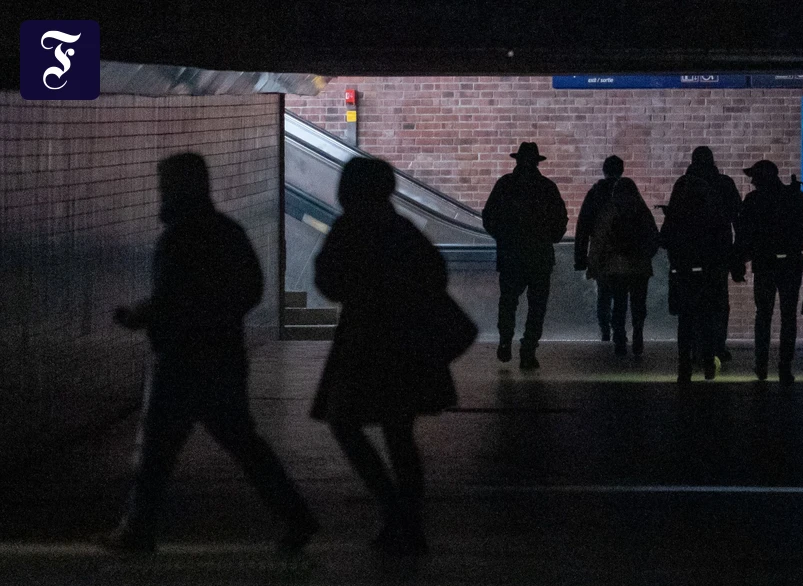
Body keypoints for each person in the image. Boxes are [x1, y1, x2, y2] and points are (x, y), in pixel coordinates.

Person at [103, 153, 318, 554]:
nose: (161, 192)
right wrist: (218, 314)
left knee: (156, 450)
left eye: (165, 185)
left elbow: (170, 299)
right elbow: (251, 288)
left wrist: (137, 315)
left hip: (179, 359)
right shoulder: (227, 232)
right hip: (223, 354)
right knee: (243, 442)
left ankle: (138, 529)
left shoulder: (177, 238)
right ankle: (296, 515)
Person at [311, 157, 460, 555]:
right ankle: (409, 519)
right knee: (400, 434)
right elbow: (436, 275)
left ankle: (393, 509)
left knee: (345, 422)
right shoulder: (401, 228)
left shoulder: (349, 228)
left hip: (363, 342)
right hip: (405, 345)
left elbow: (328, 281)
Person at [734, 160, 803, 384]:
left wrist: (739, 260)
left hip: (764, 263)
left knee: (763, 315)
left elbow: (744, 235)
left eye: (755, 177)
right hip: (791, 263)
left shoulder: (753, 200)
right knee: (788, 315)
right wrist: (794, 235)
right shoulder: (794, 196)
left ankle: (761, 364)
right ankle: (785, 366)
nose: (752, 181)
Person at [483, 142, 569, 370]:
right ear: (537, 162)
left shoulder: (505, 185)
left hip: (511, 255)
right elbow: (560, 219)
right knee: (537, 306)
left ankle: (505, 341)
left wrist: (503, 238)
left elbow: (489, 216)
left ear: (518, 160)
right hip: (539, 256)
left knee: (508, 301)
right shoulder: (547, 187)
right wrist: (549, 237)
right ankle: (528, 349)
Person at [661, 163, 732, 382]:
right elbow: (723, 241)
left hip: (682, 272)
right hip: (708, 273)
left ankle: (685, 367)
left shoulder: (677, 213)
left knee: (685, 321)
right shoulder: (712, 212)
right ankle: (708, 362)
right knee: (707, 318)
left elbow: (664, 240)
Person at [674, 146, 742, 364]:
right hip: (719, 252)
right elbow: (738, 219)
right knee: (718, 301)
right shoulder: (724, 183)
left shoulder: (683, 184)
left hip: (690, 253)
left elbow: (674, 218)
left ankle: (694, 348)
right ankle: (717, 346)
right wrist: (738, 254)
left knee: (691, 303)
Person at [586, 177, 659, 356]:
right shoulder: (642, 211)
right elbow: (653, 238)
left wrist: (593, 264)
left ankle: (619, 339)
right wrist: (645, 255)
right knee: (638, 304)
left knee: (619, 304)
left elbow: (598, 239)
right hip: (640, 266)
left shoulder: (609, 211)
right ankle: (638, 335)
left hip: (616, 266)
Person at [574, 155, 624, 342]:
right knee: (621, 294)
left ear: (604, 171)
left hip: (600, 251)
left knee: (604, 293)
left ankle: (605, 331)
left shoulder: (595, 193)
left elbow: (583, 228)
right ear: (622, 171)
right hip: (623, 252)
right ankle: (619, 330)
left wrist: (580, 258)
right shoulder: (627, 193)